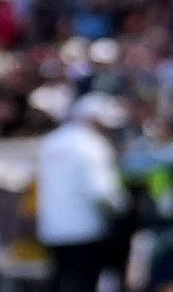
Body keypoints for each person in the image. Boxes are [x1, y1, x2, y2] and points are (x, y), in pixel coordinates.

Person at [35, 94, 127, 292]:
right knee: (85, 282)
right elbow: (102, 191)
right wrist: (122, 210)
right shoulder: (92, 145)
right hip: (87, 230)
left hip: (53, 228)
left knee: (59, 279)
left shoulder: (51, 142)